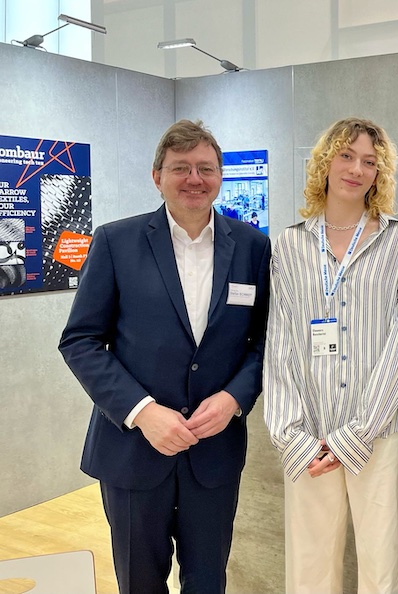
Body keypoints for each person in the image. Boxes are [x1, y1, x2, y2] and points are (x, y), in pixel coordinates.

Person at [58, 119, 271, 594]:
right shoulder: (116, 242)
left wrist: (234, 398)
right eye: (180, 168)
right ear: (157, 176)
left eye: (205, 168)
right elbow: (80, 340)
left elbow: (266, 343)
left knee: (207, 581)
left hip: (213, 453)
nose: (194, 179)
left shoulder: (253, 247)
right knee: (139, 582)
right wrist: (142, 412)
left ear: (220, 176)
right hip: (133, 452)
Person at [262, 117, 398, 594]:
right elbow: (280, 343)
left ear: (381, 173)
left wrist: (360, 430)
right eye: (347, 156)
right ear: (326, 162)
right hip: (310, 435)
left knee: (383, 563)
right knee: (309, 567)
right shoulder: (289, 244)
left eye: (370, 161)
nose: (356, 169)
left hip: (378, 435)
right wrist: (289, 433)